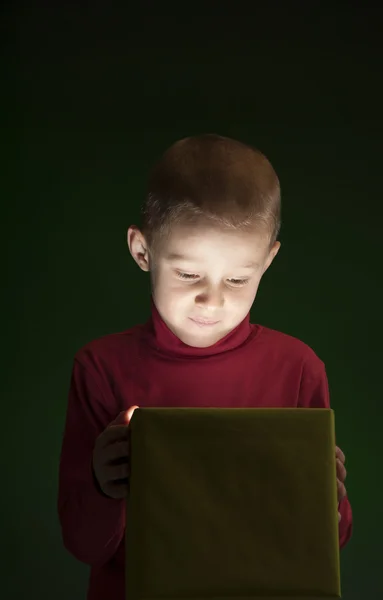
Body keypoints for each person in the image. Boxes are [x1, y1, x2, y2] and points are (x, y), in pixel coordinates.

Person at [57, 134, 352, 600]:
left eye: (237, 278)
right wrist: (101, 482)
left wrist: (327, 498)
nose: (212, 299)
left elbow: (327, 545)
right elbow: (83, 542)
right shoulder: (101, 368)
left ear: (268, 262)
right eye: (188, 273)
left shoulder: (299, 368)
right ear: (143, 252)